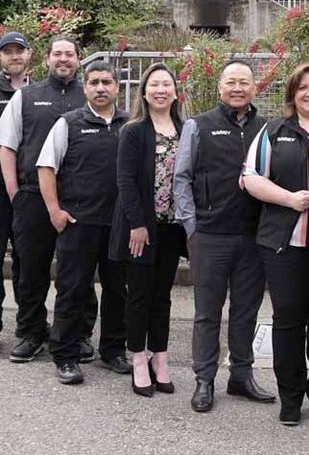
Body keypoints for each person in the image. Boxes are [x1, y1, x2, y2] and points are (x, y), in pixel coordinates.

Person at [243, 63, 309, 426]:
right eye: (303, 87)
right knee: (287, 320)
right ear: (293, 94)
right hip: (284, 245)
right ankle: (290, 397)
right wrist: (288, 199)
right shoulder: (274, 131)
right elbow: (250, 177)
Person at [173, 59, 275, 412]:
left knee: (246, 310)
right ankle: (204, 379)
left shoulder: (267, 128)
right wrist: (192, 227)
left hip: (253, 236)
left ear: (255, 87)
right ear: (220, 87)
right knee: (207, 313)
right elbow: (181, 178)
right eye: (231, 81)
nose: (237, 88)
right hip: (209, 235)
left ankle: (241, 376)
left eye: (244, 82)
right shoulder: (198, 125)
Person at [0, 36, 94, 364]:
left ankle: (77, 334)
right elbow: (7, 145)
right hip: (31, 197)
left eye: (69, 54)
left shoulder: (90, 94)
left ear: (78, 59)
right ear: (47, 58)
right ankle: (31, 332)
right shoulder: (26, 97)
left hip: (79, 199)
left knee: (79, 272)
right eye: (58, 54)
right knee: (31, 269)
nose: (63, 59)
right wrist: (14, 192)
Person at [37, 61, 130, 384]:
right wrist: (55, 211)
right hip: (79, 223)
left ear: (117, 87)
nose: (100, 88)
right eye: (94, 82)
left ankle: (113, 350)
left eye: (107, 82)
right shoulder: (68, 123)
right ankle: (65, 356)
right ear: (85, 88)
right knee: (72, 290)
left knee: (118, 292)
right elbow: (46, 167)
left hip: (119, 225)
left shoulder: (130, 124)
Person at [109, 63, 187, 397]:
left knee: (162, 296)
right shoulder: (133, 130)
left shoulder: (186, 129)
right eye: (154, 84)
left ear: (175, 92)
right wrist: (138, 224)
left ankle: (160, 357)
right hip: (141, 228)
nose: (160, 90)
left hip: (172, 227)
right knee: (139, 295)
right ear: (143, 92)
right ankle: (138, 358)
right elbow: (125, 181)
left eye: (166, 84)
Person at [0, 32, 32, 338]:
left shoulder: (39, 93)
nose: (14, 56)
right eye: (8, 51)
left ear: (29, 54)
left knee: (28, 261)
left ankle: (28, 327)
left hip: (29, 190)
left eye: (19, 50)